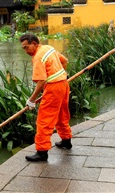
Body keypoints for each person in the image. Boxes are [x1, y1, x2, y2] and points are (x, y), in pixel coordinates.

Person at [19, 33, 72, 162]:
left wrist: (31, 100)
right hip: (64, 84)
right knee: (62, 114)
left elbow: (41, 81)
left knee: (44, 119)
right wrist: (60, 76)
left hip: (54, 88)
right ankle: (66, 141)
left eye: (26, 47)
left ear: (34, 44)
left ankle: (42, 152)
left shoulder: (38, 57)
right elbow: (64, 61)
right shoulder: (48, 48)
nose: (25, 51)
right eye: (23, 48)